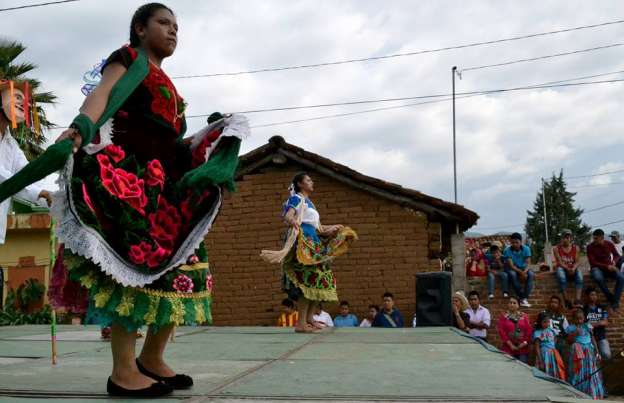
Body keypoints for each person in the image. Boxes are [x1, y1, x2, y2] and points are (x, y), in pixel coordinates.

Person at [1, 4, 251, 397]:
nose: (172, 32)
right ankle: (122, 371)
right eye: (163, 23)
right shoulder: (128, 59)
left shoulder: (170, 86)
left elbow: (172, 145)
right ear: (139, 29)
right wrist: (81, 127)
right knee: (132, 273)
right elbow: (101, 97)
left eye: (176, 27)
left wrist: (214, 135)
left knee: (184, 271)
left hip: (166, 189)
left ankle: (152, 359)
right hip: (131, 184)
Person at [261, 172, 357, 333]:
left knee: (321, 279)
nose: (312, 182)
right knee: (308, 281)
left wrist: (334, 228)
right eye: (308, 180)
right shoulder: (296, 199)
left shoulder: (310, 203)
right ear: (299, 184)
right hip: (303, 245)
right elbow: (288, 215)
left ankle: (309, 319)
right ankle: (301, 324)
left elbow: (319, 228)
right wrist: (294, 224)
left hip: (314, 244)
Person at [0, 80, 52, 245]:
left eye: (25, 100)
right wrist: (37, 193)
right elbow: (4, 176)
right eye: (16, 96)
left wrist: (48, 194)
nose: (23, 103)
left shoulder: (11, 144)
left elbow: (26, 174)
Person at [565, 308, 605, 399]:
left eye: (581, 318)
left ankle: (591, 391)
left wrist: (597, 351)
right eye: (577, 318)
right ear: (573, 319)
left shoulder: (587, 326)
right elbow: (568, 341)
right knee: (578, 369)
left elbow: (592, 338)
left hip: (588, 350)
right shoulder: (571, 328)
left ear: (584, 318)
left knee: (590, 369)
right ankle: (579, 390)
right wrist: (575, 333)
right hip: (578, 350)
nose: (579, 320)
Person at [587, 228, 624, 310]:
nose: (594, 240)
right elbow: (593, 262)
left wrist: (614, 262)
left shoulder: (609, 244)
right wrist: (607, 266)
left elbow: (617, 255)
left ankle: (615, 301)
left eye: (596, 238)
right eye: (594, 238)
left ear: (602, 237)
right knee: (598, 278)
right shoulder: (590, 247)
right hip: (596, 268)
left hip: (609, 267)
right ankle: (610, 297)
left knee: (621, 277)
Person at [552, 229, 583, 307]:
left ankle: (578, 299)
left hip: (572, 267)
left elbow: (577, 261)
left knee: (579, 276)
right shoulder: (556, 248)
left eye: (568, 237)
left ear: (571, 238)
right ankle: (566, 299)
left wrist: (573, 268)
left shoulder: (576, 248)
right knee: (561, 276)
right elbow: (559, 262)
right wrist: (568, 268)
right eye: (565, 237)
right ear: (561, 238)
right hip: (562, 268)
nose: (566, 239)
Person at [496, 296, 532, 363]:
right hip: (508, 348)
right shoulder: (504, 317)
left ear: (518, 305)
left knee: (522, 369)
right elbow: (501, 331)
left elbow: (529, 330)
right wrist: (511, 345)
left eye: (514, 303)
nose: (512, 304)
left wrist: (523, 344)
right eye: (510, 303)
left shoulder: (524, 316)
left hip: (522, 349)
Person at [503, 233, 534, 307]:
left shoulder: (526, 249)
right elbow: (511, 265)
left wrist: (525, 272)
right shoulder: (508, 250)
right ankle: (522, 296)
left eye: (517, 242)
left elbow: (528, 263)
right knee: (513, 274)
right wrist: (522, 273)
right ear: (511, 242)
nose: (515, 244)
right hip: (512, 268)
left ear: (521, 241)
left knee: (531, 274)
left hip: (523, 268)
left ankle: (524, 298)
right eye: (513, 242)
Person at [533, 312, 566, 381]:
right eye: (544, 322)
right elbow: (537, 347)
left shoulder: (552, 331)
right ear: (540, 322)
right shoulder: (537, 333)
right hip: (543, 355)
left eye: (548, 322)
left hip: (553, 354)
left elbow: (555, 340)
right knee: (544, 372)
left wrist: (552, 349)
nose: (547, 324)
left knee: (554, 371)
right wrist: (540, 360)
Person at [583, 287, 611, 361]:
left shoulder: (602, 308)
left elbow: (605, 322)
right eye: (592, 295)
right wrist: (599, 322)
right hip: (588, 338)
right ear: (587, 296)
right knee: (592, 359)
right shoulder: (584, 309)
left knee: (607, 355)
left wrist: (592, 324)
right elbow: (585, 325)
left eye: (595, 295)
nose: (594, 296)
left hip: (601, 336)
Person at [542, 295, 569, 360]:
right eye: (552, 302)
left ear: (559, 304)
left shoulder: (562, 317)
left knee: (560, 360)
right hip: (547, 340)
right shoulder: (544, 314)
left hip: (559, 342)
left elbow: (567, 331)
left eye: (555, 302)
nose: (553, 304)